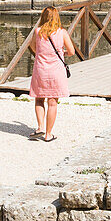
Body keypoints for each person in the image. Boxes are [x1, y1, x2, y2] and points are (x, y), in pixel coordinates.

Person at [28, 7, 74, 142]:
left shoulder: (37, 32)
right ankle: (48, 134)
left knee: (39, 98)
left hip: (41, 70)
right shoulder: (62, 33)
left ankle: (40, 127)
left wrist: (43, 53)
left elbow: (33, 47)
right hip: (56, 71)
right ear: (56, 17)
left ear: (43, 17)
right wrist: (61, 53)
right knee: (53, 102)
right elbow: (71, 51)